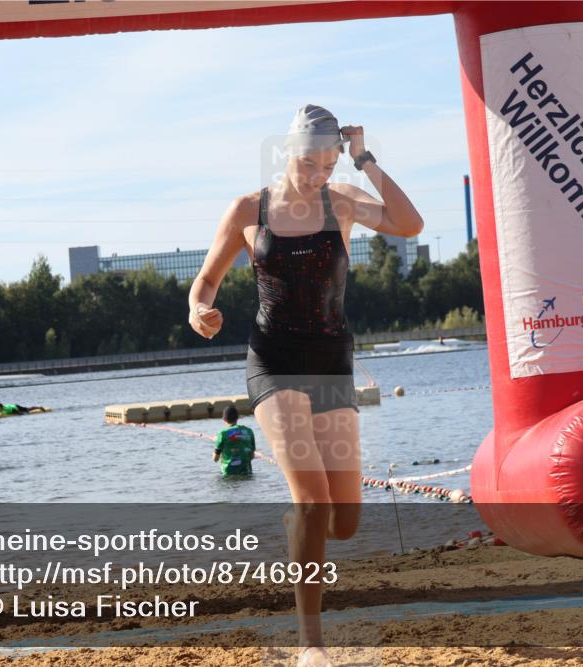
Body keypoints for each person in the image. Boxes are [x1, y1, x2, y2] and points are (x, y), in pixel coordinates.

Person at [188, 104, 424, 667]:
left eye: (328, 164)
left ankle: (300, 527)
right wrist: (200, 309)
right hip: (274, 360)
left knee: (344, 522)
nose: (317, 174)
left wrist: (365, 160)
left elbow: (409, 224)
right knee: (314, 501)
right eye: (308, 163)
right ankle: (310, 645)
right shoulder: (250, 209)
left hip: (331, 363)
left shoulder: (341, 201)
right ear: (287, 152)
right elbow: (206, 279)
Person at [213, 406, 256, 476]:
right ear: (237, 418)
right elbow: (252, 456)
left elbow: (215, 459)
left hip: (228, 474)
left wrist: (217, 440)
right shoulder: (249, 431)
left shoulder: (222, 434)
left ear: (224, 419)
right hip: (246, 472)